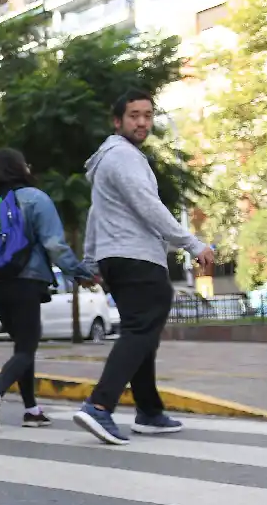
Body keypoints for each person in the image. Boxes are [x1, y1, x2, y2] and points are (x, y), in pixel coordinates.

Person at [73, 90, 213, 446]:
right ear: (117, 120)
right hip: (136, 256)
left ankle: (149, 411)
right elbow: (148, 204)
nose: (142, 122)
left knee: (142, 332)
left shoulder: (108, 160)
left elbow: (95, 214)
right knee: (140, 329)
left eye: (147, 116)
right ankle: (100, 405)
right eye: (134, 115)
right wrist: (192, 243)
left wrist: (91, 258)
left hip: (116, 256)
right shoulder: (123, 156)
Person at [0, 149, 96, 432]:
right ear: (19, 168)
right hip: (25, 282)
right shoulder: (36, 199)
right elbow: (54, 245)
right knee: (26, 348)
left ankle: (32, 409)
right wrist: (80, 273)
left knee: (23, 348)